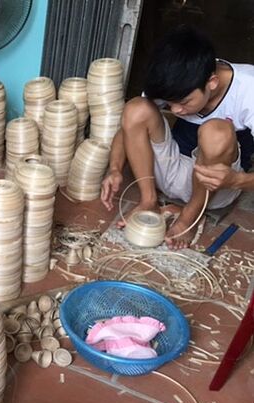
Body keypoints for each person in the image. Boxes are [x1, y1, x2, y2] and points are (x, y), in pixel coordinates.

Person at [100, 25, 254, 249]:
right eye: (169, 103)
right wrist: (114, 168)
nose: (175, 111)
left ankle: (188, 217)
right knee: (136, 108)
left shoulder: (249, 89)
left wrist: (236, 180)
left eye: (183, 102)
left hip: (217, 185)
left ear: (211, 82)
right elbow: (127, 128)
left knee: (216, 132)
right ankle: (148, 201)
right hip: (170, 173)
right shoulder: (171, 82)